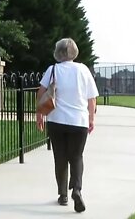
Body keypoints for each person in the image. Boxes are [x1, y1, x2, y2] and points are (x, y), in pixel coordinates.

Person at [36, 38, 99, 213]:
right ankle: (77, 190)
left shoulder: (53, 69)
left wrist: (39, 114)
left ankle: (63, 195)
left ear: (58, 53)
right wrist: (91, 118)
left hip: (56, 120)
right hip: (78, 121)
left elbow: (41, 92)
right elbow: (91, 98)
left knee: (60, 158)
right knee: (77, 156)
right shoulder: (83, 70)